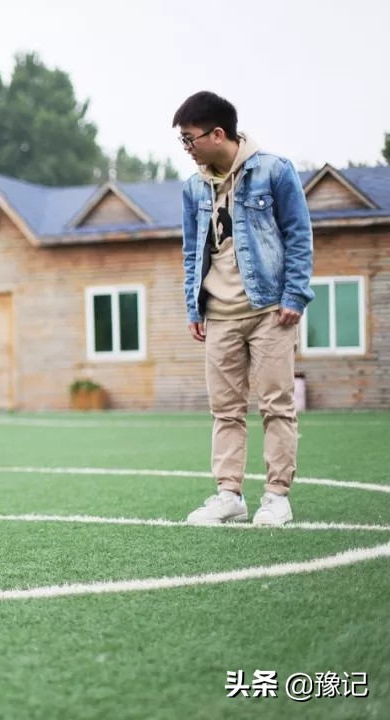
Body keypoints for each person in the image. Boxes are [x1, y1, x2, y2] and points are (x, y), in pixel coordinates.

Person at [173, 91, 314, 526]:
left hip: (270, 309)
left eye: (190, 138)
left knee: (276, 404)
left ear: (218, 134)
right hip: (219, 314)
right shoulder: (193, 187)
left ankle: (276, 497)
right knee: (225, 410)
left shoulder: (274, 171)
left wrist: (294, 295)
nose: (187, 148)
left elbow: (298, 235)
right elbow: (192, 250)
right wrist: (194, 306)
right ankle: (228, 494)